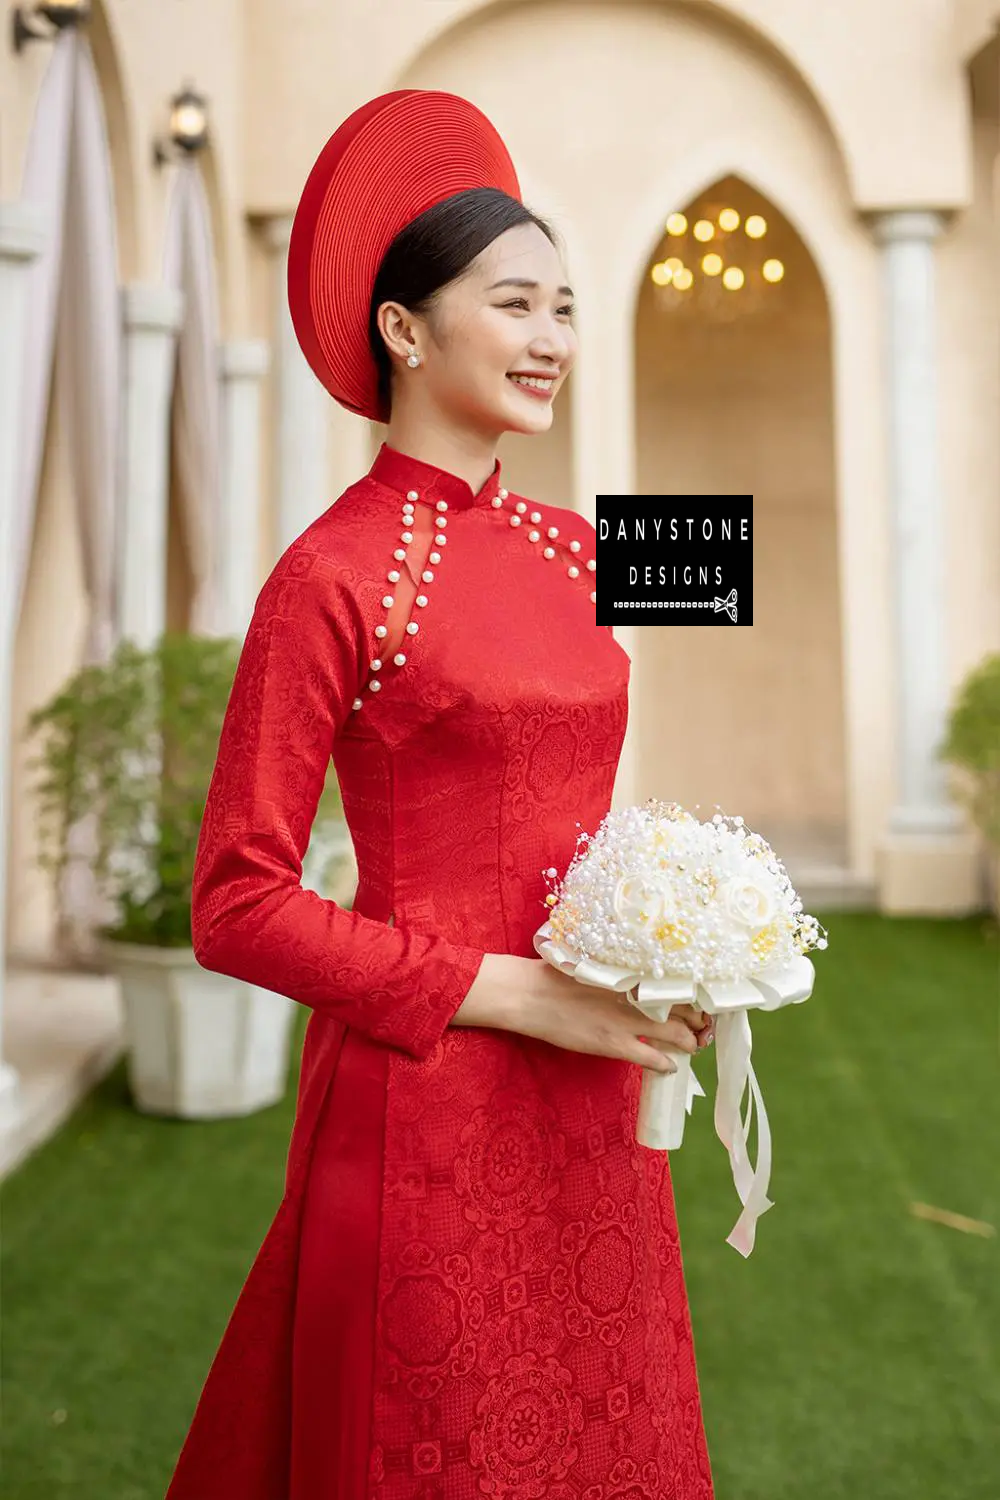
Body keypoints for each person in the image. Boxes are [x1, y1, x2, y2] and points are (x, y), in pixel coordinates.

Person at [165, 89, 716, 1500]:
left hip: (596, 1080)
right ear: (403, 331)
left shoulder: (587, 541)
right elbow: (234, 905)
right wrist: (514, 991)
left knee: (605, 1432)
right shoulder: (330, 575)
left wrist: (699, 935)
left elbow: (755, 612)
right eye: (517, 303)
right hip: (432, 1096)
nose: (554, 342)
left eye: (569, 309)